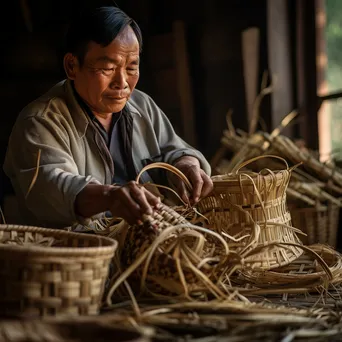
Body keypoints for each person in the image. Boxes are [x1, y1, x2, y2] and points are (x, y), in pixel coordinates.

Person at [3, 6, 213, 229]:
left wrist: (186, 163)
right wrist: (110, 197)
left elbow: (174, 150)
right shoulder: (39, 122)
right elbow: (52, 186)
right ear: (72, 66)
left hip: (146, 246)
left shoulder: (141, 106)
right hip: (81, 256)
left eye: (132, 68)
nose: (121, 82)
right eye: (107, 68)